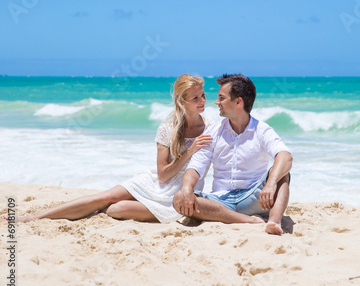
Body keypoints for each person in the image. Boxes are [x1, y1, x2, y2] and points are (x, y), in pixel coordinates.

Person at [10, 74, 214, 223]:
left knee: (115, 209)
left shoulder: (210, 128)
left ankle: (88, 211)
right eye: (196, 98)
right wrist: (189, 151)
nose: (202, 101)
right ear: (182, 101)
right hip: (155, 183)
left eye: (203, 95)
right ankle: (33, 218)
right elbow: (162, 175)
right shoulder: (167, 129)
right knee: (105, 197)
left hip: (176, 196)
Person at [173, 73, 293, 235]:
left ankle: (274, 222)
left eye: (221, 98)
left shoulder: (262, 130)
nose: (216, 102)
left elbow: (285, 156)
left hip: (254, 198)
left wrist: (271, 183)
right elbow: (196, 166)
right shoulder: (214, 131)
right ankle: (246, 220)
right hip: (220, 202)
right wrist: (187, 187)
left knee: (283, 175)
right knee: (180, 198)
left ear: (238, 102)